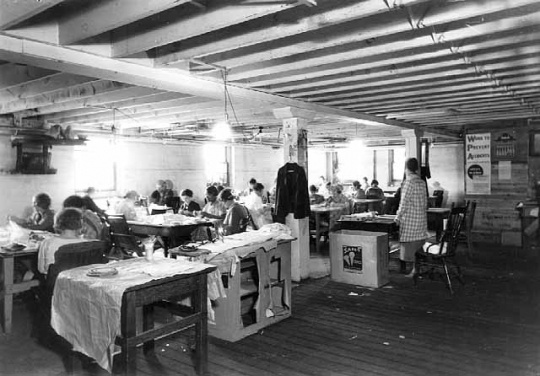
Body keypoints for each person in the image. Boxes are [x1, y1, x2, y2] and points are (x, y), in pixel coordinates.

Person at [395, 158, 428, 276]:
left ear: (406, 169)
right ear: (417, 168)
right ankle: (417, 268)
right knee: (418, 244)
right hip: (421, 219)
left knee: (410, 245)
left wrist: (397, 217)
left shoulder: (408, 182)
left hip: (411, 220)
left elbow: (403, 202)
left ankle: (413, 270)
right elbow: (425, 202)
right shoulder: (421, 182)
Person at [37, 208, 88, 276]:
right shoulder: (87, 244)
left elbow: (41, 269)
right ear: (80, 223)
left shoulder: (48, 243)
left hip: (54, 283)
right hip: (79, 282)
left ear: (58, 222)